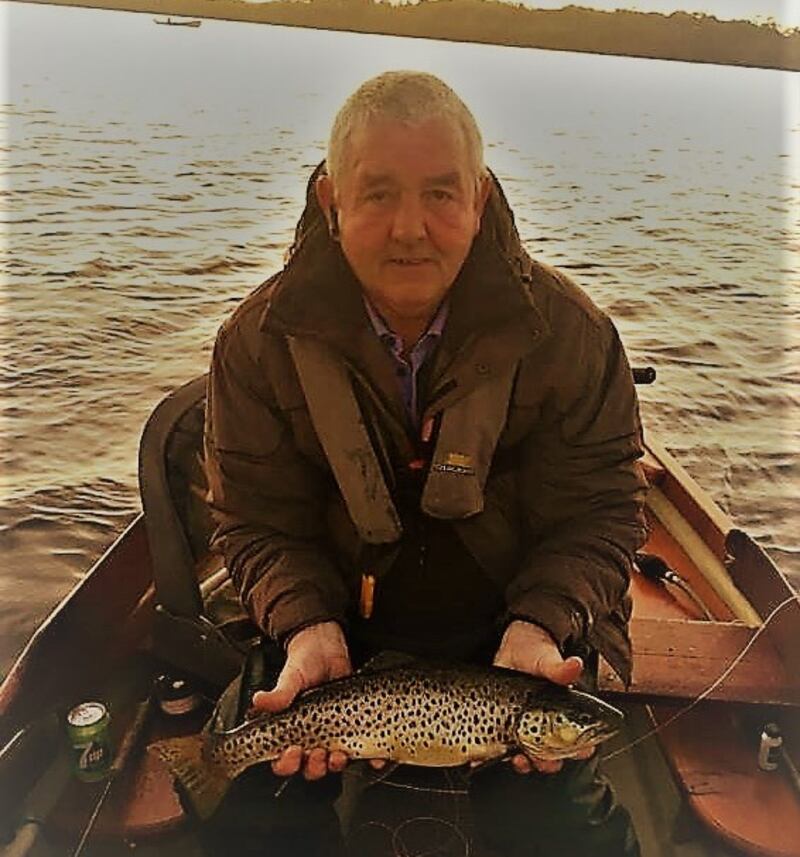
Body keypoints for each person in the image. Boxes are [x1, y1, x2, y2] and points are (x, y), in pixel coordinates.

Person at [202, 70, 648, 857]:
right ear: (333, 201)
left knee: (564, 835)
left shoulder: (574, 337)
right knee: (252, 828)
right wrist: (304, 624)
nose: (411, 227)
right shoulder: (255, 343)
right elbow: (254, 522)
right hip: (333, 637)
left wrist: (546, 622)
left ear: (478, 199)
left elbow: (602, 514)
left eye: (441, 194)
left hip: (519, 641)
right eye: (378, 194)